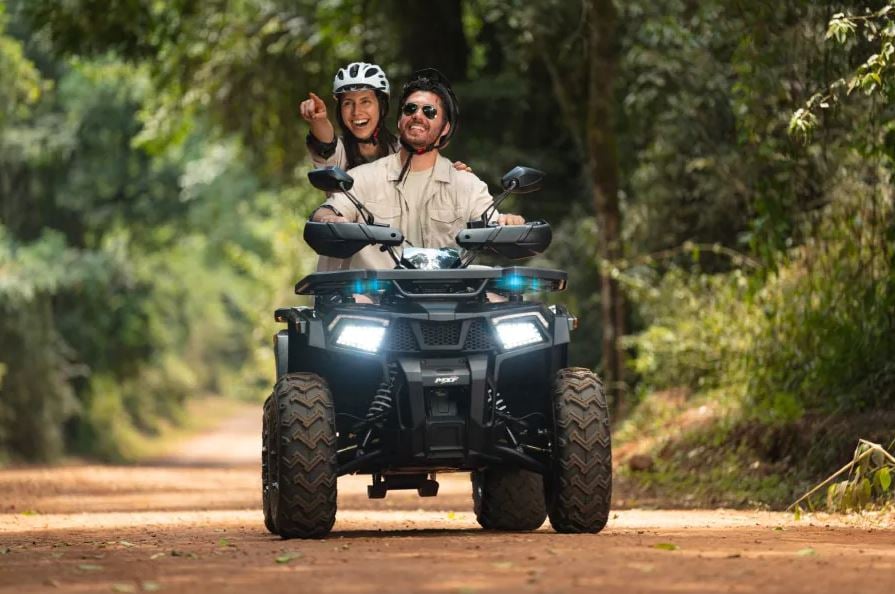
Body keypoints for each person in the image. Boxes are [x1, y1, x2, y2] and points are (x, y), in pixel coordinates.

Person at [310, 68, 524, 271]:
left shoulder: (466, 184)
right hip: (373, 302)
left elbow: (494, 222)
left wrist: (510, 223)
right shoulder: (361, 178)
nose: (418, 115)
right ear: (399, 120)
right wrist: (329, 219)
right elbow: (327, 210)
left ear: (445, 128)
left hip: (450, 301)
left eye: (429, 111)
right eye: (410, 109)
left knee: (504, 302)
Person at [300, 61, 398, 170]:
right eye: (348, 103)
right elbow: (325, 145)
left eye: (365, 102)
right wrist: (319, 120)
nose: (356, 112)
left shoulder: (401, 150)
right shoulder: (340, 153)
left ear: (382, 107)